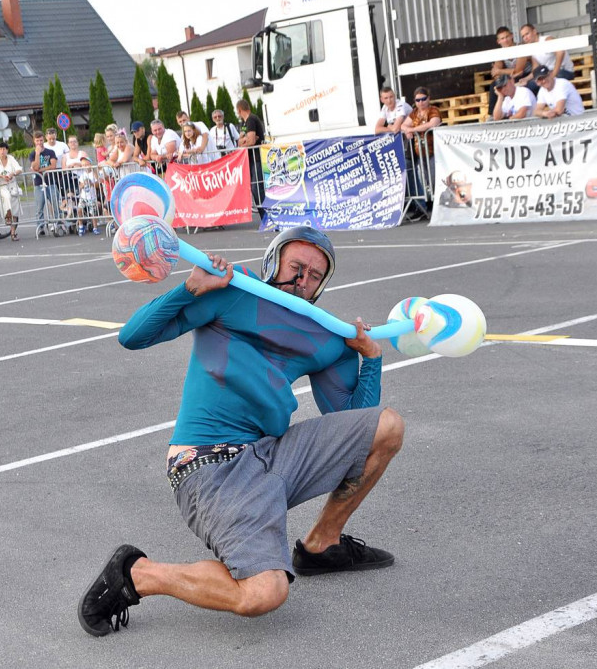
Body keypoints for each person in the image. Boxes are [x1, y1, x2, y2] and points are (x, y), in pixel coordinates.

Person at [79, 226, 404, 637]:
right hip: (210, 466)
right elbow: (132, 336)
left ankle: (323, 545)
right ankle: (139, 574)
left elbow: (354, 420)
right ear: (274, 261)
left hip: (271, 455)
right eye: (296, 267)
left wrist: (370, 359)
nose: (302, 280)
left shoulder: (326, 336)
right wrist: (191, 289)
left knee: (388, 427)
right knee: (262, 594)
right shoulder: (231, 291)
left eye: (314, 276)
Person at [401, 87, 442, 202]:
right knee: (424, 178)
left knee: (434, 177)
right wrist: (407, 130)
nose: (421, 102)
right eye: (417, 100)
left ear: (428, 98)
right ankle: (429, 202)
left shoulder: (433, 110)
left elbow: (433, 123)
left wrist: (412, 130)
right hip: (419, 151)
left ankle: (437, 201)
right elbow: (403, 125)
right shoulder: (414, 113)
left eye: (423, 99)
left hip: (434, 150)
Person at [0, 141, 24, 241]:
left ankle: (13, 233)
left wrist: (12, 174)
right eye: (0, 149)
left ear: (7, 150)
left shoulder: (11, 158)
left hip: (12, 185)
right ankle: (7, 216)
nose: (2, 151)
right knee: (7, 198)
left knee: (15, 210)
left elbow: (19, 169)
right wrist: (1, 176)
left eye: (4, 149)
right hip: (1, 186)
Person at [490, 26, 533, 106]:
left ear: (512, 36)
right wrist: (500, 73)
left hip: (526, 75)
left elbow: (518, 70)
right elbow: (496, 74)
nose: (505, 40)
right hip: (512, 77)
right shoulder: (500, 53)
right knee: (494, 85)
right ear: (498, 41)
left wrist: (500, 71)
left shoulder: (520, 47)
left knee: (527, 84)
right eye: (502, 38)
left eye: (507, 37)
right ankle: (492, 114)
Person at [236, 99, 266, 211]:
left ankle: (266, 216)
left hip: (257, 158)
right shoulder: (245, 123)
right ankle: (264, 216)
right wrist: (244, 140)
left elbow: (251, 141)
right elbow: (240, 141)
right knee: (255, 187)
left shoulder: (251, 119)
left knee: (257, 188)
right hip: (251, 159)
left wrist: (245, 141)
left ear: (239, 110)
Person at [30, 130, 59, 237]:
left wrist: (41, 170)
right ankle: (40, 227)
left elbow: (53, 166)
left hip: (50, 182)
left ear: (44, 140)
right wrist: (37, 153)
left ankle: (58, 223)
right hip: (38, 184)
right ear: (34, 141)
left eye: (41, 140)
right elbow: (35, 167)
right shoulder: (33, 154)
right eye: (37, 141)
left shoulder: (50, 152)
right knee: (39, 207)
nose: (39, 143)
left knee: (55, 204)